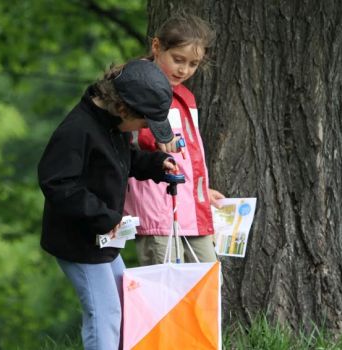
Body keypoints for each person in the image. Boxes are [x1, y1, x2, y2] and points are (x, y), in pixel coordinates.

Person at [38, 60, 176, 350]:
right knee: (105, 313)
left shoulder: (114, 125)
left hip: (105, 236)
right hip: (80, 242)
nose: (144, 129)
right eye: (144, 123)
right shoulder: (77, 130)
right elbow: (57, 183)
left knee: (125, 303)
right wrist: (104, 217)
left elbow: (123, 160)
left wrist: (155, 164)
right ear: (123, 109)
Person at [123, 14, 226, 266]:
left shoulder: (186, 96)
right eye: (178, 60)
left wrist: (198, 189)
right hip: (158, 211)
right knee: (168, 288)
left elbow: (187, 156)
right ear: (157, 47)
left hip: (192, 208)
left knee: (209, 281)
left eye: (193, 64)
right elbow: (145, 147)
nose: (184, 70)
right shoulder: (137, 88)